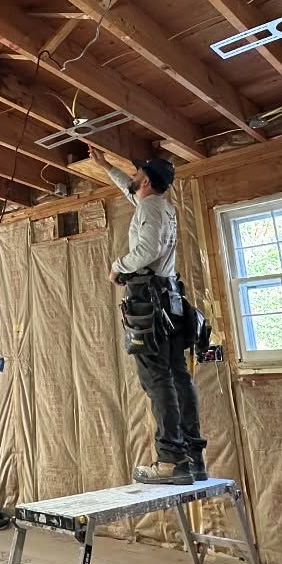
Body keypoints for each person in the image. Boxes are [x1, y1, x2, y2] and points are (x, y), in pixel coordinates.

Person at [90, 148, 207, 485]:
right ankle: (192, 458)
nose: (135, 179)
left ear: (148, 181)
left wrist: (117, 266)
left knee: (157, 379)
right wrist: (105, 166)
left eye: (139, 175)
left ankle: (171, 460)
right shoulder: (158, 206)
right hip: (167, 297)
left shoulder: (151, 208)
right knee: (177, 375)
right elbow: (130, 189)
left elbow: (148, 251)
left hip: (148, 300)